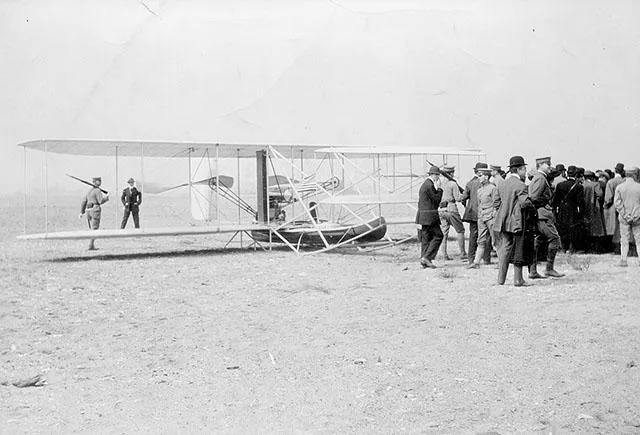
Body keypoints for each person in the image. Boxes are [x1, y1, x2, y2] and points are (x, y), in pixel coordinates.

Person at [494, 156, 537, 286]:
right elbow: (525, 203)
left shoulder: (502, 184)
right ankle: (518, 279)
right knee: (519, 247)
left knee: (504, 249)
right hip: (516, 222)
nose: (525, 171)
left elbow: (496, 202)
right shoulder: (521, 185)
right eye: (524, 169)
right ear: (518, 169)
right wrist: (533, 204)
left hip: (502, 221)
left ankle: (500, 280)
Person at [527, 157, 565, 278]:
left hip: (539, 214)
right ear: (541, 164)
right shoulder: (541, 178)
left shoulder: (538, 177)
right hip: (542, 215)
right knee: (554, 239)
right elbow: (533, 197)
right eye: (547, 164)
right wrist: (545, 201)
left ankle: (533, 271)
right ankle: (549, 269)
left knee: (537, 241)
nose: (550, 166)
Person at [468, 167, 499, 269]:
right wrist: (480, 216)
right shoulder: (479, 190)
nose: (479, 177)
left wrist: (494, 214)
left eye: (481, 175)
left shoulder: (493, 188)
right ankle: (476, 263)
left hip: (491, 217)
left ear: (486, 176)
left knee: (495, 240)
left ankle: (501, 263)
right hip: (482, 217)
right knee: (480, 240)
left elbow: (496, 203)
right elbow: (479, 204)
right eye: (479, 175)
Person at [461, 162, 491, 265]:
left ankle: (471, 259)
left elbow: (463, 198)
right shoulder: (488, 184)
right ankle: (486, 259)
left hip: (473, 214)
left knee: (473, 236)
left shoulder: (470, 183)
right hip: (485, 213)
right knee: (486, 236)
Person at [416, 165, 444, 268]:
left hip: (423, 216)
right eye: (437, 175)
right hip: (430, 217)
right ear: (433, 175)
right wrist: (440, 189)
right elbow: (436, 200)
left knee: (426, 238)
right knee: (438, 236)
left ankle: (423, 260)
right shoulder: (429, 185)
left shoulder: (425, 184)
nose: (438, 177)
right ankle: (427, 258)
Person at [437, 165, 467, 260]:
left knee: (444, 233)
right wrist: (465, 195)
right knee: (460, 230)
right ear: (451, 173)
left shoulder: (439, 183)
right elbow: (458, 198)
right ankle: (463, 253)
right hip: (451, 209)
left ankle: (444, 255)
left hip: (441, 209)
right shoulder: (453, 184)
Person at [552, 165, 585, 253]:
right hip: (573, 209)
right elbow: (580, 202)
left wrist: (556, 210)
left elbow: (556, 201)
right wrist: (581, 213)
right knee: (573, 228)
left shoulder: (560, 185)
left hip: (562, 209)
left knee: (562, 228)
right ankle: (571, 248)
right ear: (576, 175)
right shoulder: (579, 187)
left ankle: (563, 247)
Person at [614, 167, 640, 267]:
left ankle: (623, 260)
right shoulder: (639, 187)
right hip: (638, 218)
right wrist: (636, 215)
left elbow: (617, 204)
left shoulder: (620, 187)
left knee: (624, 239)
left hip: (624, 218)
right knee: (639, 239)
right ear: (635, 175)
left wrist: (625, 214)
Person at [79, 176, 109, 250]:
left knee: (91, 229)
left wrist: (81, 212)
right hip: (95, 211)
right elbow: (100, 201)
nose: (100, 182)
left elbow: (84, 201)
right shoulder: (98, 191)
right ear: (96, 182)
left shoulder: (89, 191)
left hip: (88, 211)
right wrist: (107, 197)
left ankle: (91, 245)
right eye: (99, 181)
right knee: (95, 229)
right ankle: (91, 245)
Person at [604, 163, 626, 253]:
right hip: (623, 207)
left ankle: (615, 248)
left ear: (615, 171)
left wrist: (605, 206)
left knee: (613, 228)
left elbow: (608, 198)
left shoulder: (611, 182)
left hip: (613, 207)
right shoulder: (624, 181)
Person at [582, 170, 606, 252]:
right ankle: (595, 248)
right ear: (592, 177)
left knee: (585, 227)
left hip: (584, 208)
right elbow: (600, 194)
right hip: (594, 207)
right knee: (595, 228)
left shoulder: (581, 184)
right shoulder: (596, 184)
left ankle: (586, 248)